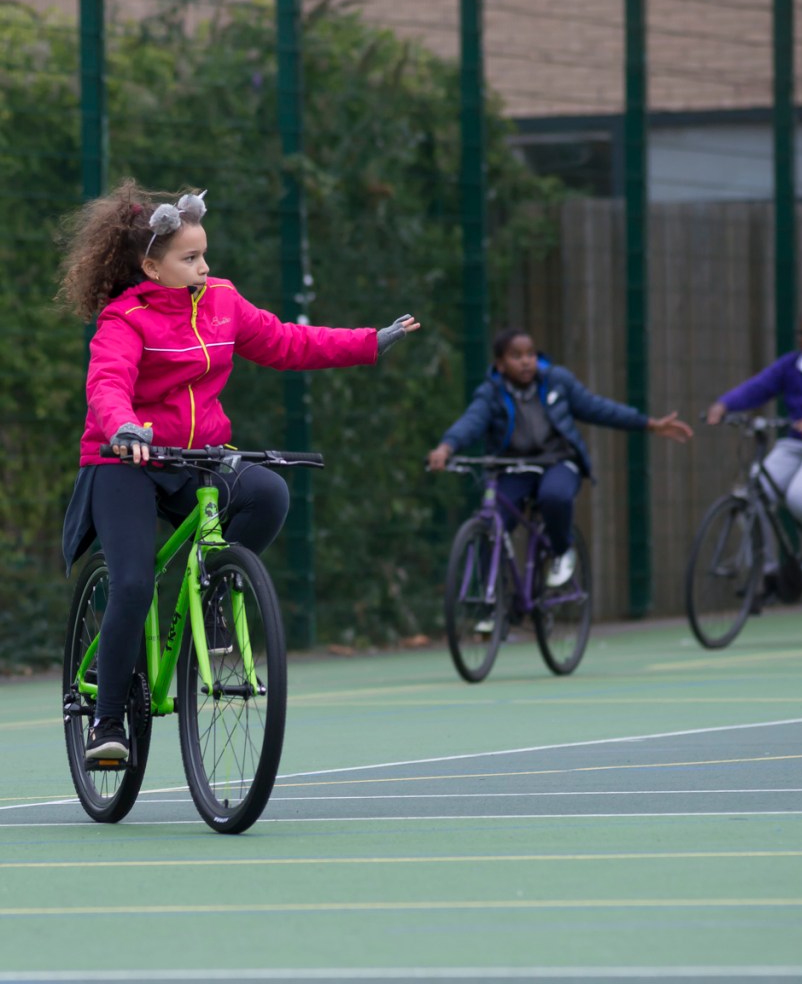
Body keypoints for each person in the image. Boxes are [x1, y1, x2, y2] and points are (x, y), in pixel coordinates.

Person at [57, 178, 419, 760]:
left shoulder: (222, 301)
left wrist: (368, 343)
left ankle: (213, 590)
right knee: (133, 582)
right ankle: (106, 723)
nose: (204, 267)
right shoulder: (125, 319)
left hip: (195, 458)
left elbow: (287, 342)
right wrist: (123, 428)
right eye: (190, 258)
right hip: (125, 460)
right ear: (151, 268)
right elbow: (107, 383)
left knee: (268, 494)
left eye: (205, 254)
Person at [427, 327, 692, 586]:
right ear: (500, 365)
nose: (526, 361)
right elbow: (472, 421)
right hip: (513, 467)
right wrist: (446, 447)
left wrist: (648, 424)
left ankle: (562, 550)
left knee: (554, 497)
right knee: (492, 523)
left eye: (530, 354)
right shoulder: (491, 393)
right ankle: (490, 598)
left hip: (557, 462)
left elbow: (598, 408)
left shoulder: (557, 381)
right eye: (516, 356)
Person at [706, 305, 802, 580]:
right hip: (794, 444)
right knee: (753, 498)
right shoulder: (791, 365)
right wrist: (724, 405)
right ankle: (767, 569)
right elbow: (759, 387)